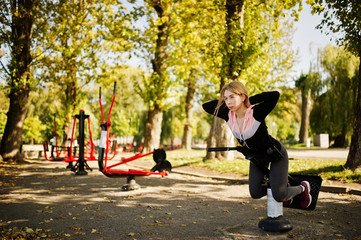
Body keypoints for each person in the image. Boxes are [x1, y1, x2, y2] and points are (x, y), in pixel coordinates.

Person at [202, 81, 312, 209]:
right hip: (257, 158)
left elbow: (274, 95)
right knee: (255, 193)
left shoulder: (256, 112)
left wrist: (250, 100)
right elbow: (206, 106)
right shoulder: (228, 115)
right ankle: (283, 186)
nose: (228, 102)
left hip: (275, 154)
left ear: (243, 96)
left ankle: (302, 188)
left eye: (232, 97)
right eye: (226, 98)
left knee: (279, 195)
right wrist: (226, 100)